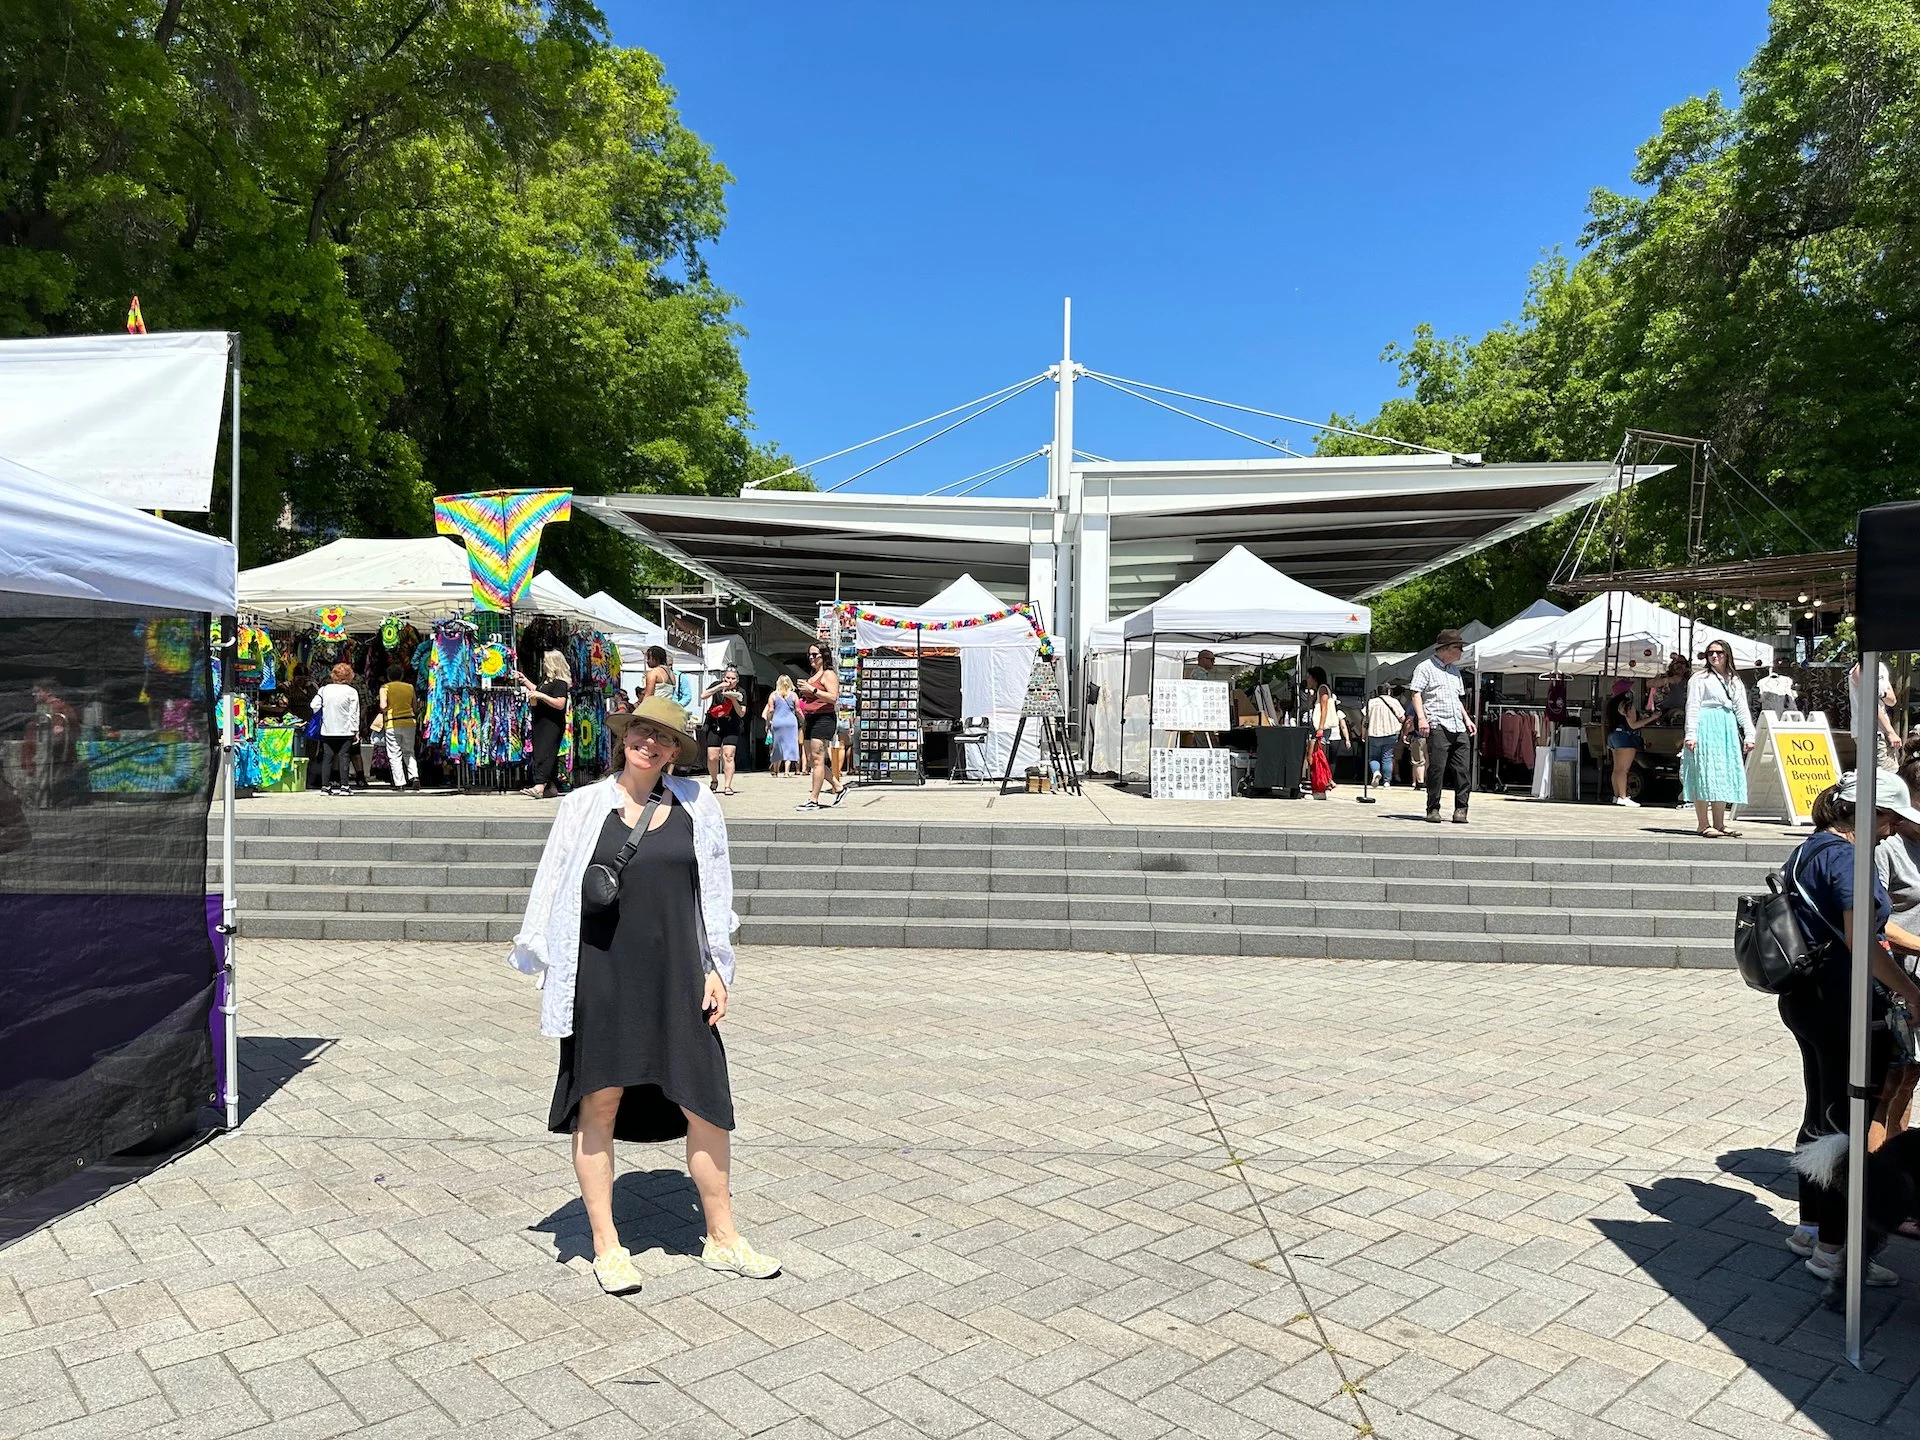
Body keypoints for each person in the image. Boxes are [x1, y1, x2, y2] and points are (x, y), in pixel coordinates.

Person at [508, 694, 778, 1295]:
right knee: (598, 1102)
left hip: (679, 974)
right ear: (624, 737)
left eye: (662, 737)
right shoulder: (582, 807)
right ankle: (607, 1245)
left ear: (675, 751)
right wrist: (547, 968)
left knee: (706, 1103)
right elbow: (552, 886)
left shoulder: (698, 805)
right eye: (639, 732)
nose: (648, 743)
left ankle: (723, 1236)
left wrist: (717, 969)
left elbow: (715, 892)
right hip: (603, 977)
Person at [1777, 772, 1920, 1282]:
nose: (1889, 830)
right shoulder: (1847, 858)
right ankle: (1834, 1253)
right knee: (1848, 1127)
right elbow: (1864, 941)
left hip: (1808, 1000)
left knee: (1822, 1111)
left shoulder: (1813, 848)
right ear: (1862, 811)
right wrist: (1911, 992)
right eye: (1886, 818)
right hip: (1844, 1004)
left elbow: (1864, 928)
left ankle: (1812, 1229)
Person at [1682, 639, 1755, 838]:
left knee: (1722, 773)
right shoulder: (1700, 678)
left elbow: (1741, 708)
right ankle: (1703, 824)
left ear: (1727, 655)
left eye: (1719, 652)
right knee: (1703, 773)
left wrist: (1749, 733)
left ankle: (1720, 823)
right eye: (1710, 653)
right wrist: (1691, 734)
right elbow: (1693, 706)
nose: (1714, 656)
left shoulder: (1734, 679)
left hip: (1726, 726)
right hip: (1705, 724)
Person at [1411, 628, 1476, 824]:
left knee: (1462, 769)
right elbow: (1416, 693)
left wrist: (1467, 719)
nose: (1461, 652)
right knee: (1437, 769)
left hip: (1458, 725)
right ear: (1446, 648)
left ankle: (1461, 809)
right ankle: (1433, 808)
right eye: (1459, 648)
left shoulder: (1455, 671)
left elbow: (1457, 700)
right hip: (1438, 723)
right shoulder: (1425, 667)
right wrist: (1422, 718)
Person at [794, 642, 843, 812]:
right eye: (809, 655)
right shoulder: (813, 675)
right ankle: (838, 788)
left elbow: (833, 697)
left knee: (817, 760)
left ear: (824, 656)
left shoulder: (828, 674)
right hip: (811, 719)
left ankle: (813, 799)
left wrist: (812, 690)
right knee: (812, 759)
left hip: (824, 719)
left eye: (815, 655)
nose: (811, 658)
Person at [520, 651, 572, 800]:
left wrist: (541, 696)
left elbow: (560, 703)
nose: (543, 664)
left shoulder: (560, 683)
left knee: (545, 753)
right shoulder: (546, 682)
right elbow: (538, 690)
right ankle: (551, 786)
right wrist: (524, 680)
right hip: (541, 722)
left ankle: (540, 785)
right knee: (543, 753)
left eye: (546, 661)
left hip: (552, 724)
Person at [310, 662, 360, 797]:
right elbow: (354, 713)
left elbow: (314, 705)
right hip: (346, 730)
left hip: (328, 729)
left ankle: (325, 787)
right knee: (344, 757)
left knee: (328, 757)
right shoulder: (352, 692)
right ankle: (344, 787)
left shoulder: (324, 690)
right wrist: (356, 731)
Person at [1603, 679, 1654, 808]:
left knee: (1616, 769)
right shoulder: (1628, 704)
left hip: (1613, 736)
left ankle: (1617, 795)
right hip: (1625, 737)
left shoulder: (1612, 705)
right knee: (1624, 770)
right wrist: (1652, 718)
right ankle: (1623, 796)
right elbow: (1633, 725)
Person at [702, 666, 747, 795]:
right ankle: (714, 780)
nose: (730, 681)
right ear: (724, 677)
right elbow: (703, 695)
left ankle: (728, 786)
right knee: (712, 756)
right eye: (727, 677)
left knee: (728, 755)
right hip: (714, 723)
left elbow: (742, 713)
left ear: (737, 680)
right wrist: (719, 687)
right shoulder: (717, 685)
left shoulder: (741, 692)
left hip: (732, 725)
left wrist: (734, 700)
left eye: (733, 678)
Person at [377, 663, 420, 791]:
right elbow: (415, 707)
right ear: (401, 675)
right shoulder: (410, 687)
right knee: (409, 751)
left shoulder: (385, 688)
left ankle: (399, 782)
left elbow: (383, 706)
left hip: (392, 722)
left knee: (394, 754)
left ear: (388, 676)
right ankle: (414, 776)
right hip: (409, 722)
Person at [1852, 659, 1900, 772]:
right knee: (1882, 774)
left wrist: (1880, 693)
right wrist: (1890, 732)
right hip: (1869, 731)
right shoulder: (1860, 669)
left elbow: (1892, 700)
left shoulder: (1881, 668)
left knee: (1892, 770)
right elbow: (1871, 703)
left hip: (1883, 730)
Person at [1363, 685, 1404, 788]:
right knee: (1387, 757)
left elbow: (1365, 720)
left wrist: (1363, 734)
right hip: (1391, 733)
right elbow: (1402, 718)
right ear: (1389, 691)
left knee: (1373, 757)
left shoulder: (1371, 702)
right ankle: (1386, 782)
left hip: (1374, 733)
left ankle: (1376, 772)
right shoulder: (1394, 702)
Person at [763, 675, 801, 777]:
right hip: (791, 723)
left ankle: (775, 770)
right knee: (789, 745)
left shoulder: (773, 695)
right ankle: (787, 771)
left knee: (777, 745)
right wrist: (803, 720)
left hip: (778, 722)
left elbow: (770, 710)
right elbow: (797, 710)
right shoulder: (793, 695)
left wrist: (768, 723)